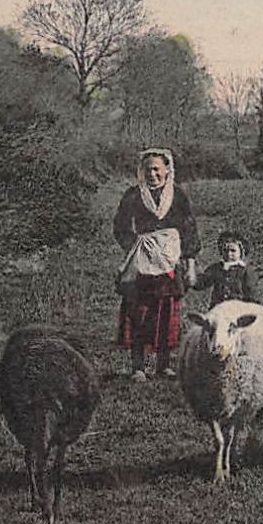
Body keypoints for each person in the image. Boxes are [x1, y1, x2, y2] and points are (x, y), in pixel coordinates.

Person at [113, 148, 200, 380]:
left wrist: (190, 264)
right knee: (138, 311)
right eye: (147, 169)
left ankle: (163, 364)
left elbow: (189, 230)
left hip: (170, 258)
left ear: (167, 170)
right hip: (143, 260)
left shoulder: (178, 196)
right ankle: (138, 366)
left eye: (156, 169)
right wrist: (136, 247)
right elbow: (120, 227)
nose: (152, 174)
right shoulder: (133, 195)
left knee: (167, 311)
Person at [191, 230, 257, 307]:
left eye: (233, 251)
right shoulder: (217, 268)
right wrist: (192, 271)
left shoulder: (245, 270)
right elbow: (201, 283)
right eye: (225, 250)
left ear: (241, 252)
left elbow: (250, 294)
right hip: (218, 308)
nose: (229, 254)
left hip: (238, 309)